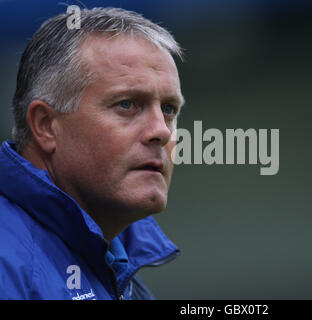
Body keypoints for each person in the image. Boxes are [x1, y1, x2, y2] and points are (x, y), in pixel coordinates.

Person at [0, 7, 185, 300]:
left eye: (168, 109)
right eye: (128, 104)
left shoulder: (118, 270)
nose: (161, 131)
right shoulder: (8, 265)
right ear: (46, 125)